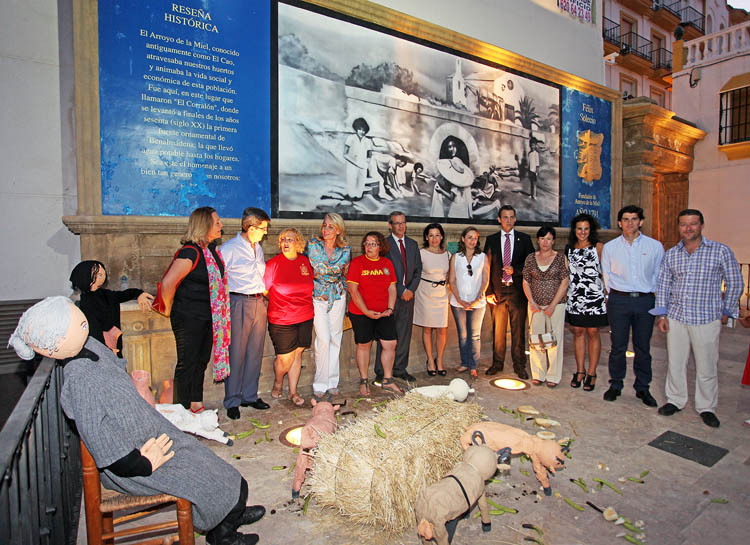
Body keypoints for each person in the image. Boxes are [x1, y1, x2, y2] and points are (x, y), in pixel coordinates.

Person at [9, 296, 265, 545]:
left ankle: (231, 513)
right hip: (133, 461)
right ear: (55, 344)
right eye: (75, 322)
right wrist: (142, 463)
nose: (83, 322)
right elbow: (100, 440)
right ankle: (222, 532)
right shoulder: (80, 379)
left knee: (220, 469)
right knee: (206, 478)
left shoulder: (88, 347)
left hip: (148, 437)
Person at [652, 209, 744, 428]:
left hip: (706, 317)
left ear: (702, 225)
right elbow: (663, 285)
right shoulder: (672, 254)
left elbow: (735, 281)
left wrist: (727, 310)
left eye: (693, 224)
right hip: (676, 317)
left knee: (707, 365)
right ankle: (675, 400)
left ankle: (706, 407)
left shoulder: (719, 251)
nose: (688, 228)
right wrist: (661, 314)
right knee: (675, 362)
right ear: (679, 227)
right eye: (683, 224)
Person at [159, 207, 230, 413]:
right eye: (217, 222)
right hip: (188, 317)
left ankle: (196, 403)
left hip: (209, 317)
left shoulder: (211, 251)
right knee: (187, 364)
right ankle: (181, 411)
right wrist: (169, 309)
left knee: (201, 362)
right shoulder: (190, 252)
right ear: (204, 225)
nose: (221, 225)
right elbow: (168, 284)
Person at [601, 205, 664, 407]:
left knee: (642, 347)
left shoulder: (654, 246)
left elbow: (659, 275)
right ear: (620, 223)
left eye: (634, 219)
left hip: (645, 300)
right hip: (619, 300)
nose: (630, 223)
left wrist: (653, 295)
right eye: (626, 219)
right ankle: (616, 384)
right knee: (617, 346)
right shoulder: (611, 248)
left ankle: (643, 388)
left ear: (641, 222)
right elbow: (606, 275)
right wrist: (614, 295)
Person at [220, 207, 271, 420]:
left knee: (255, 352)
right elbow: (218, 278)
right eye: (262, 228)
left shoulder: (257, 248)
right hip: (238, 301)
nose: (265, 232)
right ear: (250, 227)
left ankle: (250, 395)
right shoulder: (229, 248)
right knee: (236, 352)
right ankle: (232, 399)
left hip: (259, 301)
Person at [347, 232, 403, 395]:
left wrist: (390, 309)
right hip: (361, 312)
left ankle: (387, 380)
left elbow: (392, 288)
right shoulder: (357, 263)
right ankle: (364, 381)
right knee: (364, 345)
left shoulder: (387, 264)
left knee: (390, 344)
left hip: (384, 313)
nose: (369, 247)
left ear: (380, 247)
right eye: (366, 243)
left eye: (373, 244)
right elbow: (353, 290)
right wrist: (367, 312)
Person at [263, 228, 314, 407]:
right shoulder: (273, 264)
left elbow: (311, 285)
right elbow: (264, 290)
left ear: (298, 242)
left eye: (290, 239)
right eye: (283, 239)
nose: (285, 242)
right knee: (285, 358)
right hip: (282, 318)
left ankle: (293, 391)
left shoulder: (305, 262)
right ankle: (278, 381)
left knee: (298, 353)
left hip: (305, 315)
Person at [484, 205, 535, 379]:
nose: (508, 220)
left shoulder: (525, 239)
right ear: (499, 219)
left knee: (518, 330)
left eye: (512, 217)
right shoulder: (491, 240)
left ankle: (519, 365)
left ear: (515, 219)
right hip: (497, 292)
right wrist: (488, 291)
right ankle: (497, 363)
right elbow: (487, 268)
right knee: (498, 331)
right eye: (505, 217)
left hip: (518, 291)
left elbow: (531, 264)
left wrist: (516, 269)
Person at [306, 213, 352, 399]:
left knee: (335, 338)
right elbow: (310, 269)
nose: (325, 229)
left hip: (338, 296)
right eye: (324, 225)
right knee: (323, 339)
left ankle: (332, 381)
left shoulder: (346, 250)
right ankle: (320, 382)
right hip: (317, 296)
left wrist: (344, 295)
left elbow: (343, 274)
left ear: (339, 230)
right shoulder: (312, 246)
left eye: (330, 227)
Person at [374, 211, 422, 384]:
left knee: (404, 334)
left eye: (403, 223)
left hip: (408, 297)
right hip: (389, 297)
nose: (401, 226)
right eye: (397, 223)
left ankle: (400, 368)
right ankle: (381, 371)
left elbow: (418, 270)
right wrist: (401, 289)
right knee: (385, 334)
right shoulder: (383, 245)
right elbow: (385, 271)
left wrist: (411, 289)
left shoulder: (412, 244)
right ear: (390, 225)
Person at [69, 260, 153, 357]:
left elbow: (124, 294)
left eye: (103, 274)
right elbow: (94, 331)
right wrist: (106, 351)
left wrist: (139, 294)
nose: (103, 277)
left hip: (112, 343)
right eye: (99, 275)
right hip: (101, 348)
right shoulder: (86, 301)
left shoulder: (106, 294)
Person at [565, 213, 608, 391]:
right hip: (575, 296)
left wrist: (606, 292)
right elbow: (567, 274)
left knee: (592, 332)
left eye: (586, 229)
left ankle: (592, 373)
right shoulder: (569, 248)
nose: (582, 232)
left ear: (591, 230)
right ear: (574, 230)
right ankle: (580, 370)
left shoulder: (598, 247)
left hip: (594, 296)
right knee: (578, 332)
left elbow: (606, 271)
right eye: (579, 229)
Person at [522, 226, 569, 387]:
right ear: (538, 240)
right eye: (542, 238)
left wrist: (552, 305)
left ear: (553, 240)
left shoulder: (560, 258)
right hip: (535, 307)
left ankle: (553, 376)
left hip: (556, 306)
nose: (545, 242)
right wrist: (532, 302)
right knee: (536, 340)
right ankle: (538, 374)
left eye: (548, 239)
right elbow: (526, 281)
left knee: (555, 340)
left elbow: (564, 283)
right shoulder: (530, 258)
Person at [449, 227, 490, 378]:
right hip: (458, 302)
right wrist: (459, 299)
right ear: (463, 239)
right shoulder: (456, 257)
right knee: (463, 335)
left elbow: (485, 279)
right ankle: (464, 362)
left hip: (477, 302)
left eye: (475, 238)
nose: (472, 241)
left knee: (474, 335)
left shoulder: (483, 257)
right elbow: (452, 280)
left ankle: (473, 365)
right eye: (469, 237)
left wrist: (477, 298)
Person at [414, 223, 451, 376]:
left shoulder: (447, 254)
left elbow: (450, 276)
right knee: (427, 328)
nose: (434, 239)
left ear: (441, 236)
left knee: (442, 329)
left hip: (442, 294)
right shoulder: (421, 253)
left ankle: (439, 360)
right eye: (431, 235)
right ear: (426, 237)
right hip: (425, 293)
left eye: (437, 235)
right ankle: (430, 360)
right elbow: (415, 273)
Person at [436, 138, 474, 219]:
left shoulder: (456, 181)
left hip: (456, 209)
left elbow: (451, 197)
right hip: (464, 208)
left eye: (454, 146)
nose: (451, 149)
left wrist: (440, 190)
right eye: (449, 147)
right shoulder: (464, 181)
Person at [343, 117, 373, 200]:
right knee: (351, 181)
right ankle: (351, 196)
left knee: (361, 183)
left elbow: (369, 154)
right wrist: (355, 163)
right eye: (360, 129)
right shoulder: (351, 138)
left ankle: (358, 196)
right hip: (352, 165)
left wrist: (367, 163)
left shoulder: (367, 141)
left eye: (364, 130)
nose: (362, 132)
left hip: (363, 166)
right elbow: (345, 154)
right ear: (356, 128)